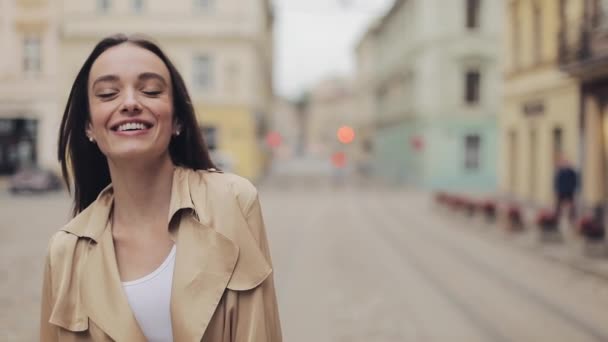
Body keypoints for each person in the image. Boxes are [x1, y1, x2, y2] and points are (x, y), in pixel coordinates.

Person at [40, 34, 282, 342]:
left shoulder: (232, 202)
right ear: (89, 126)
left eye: (151, 90)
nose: (130, 103)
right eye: (108, 93)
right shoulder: (65, 252)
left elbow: (258, 331)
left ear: (178, 119)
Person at [553, 156, 578, 223]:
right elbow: (557, 182)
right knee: (558, 206)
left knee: (572, 206)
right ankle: (556, 219)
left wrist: (573, 189)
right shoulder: (560, 172)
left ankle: (572, 219)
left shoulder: (571, 172)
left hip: (569, 191)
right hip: (561, 191)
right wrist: (557, 190)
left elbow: (575, 181)